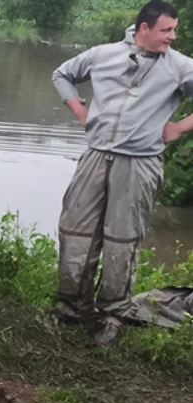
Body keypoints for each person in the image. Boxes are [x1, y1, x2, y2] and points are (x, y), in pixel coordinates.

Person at [49, 0, 193, 345]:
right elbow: (62, 75)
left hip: (139, 162)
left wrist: (180, 128)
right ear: (144, 28)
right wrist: (79, 109)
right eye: (166, 30)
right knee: (75, 227)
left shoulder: (180, 67)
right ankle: (73, 305)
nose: (172, 36)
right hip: (96, 155)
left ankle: (112, 314)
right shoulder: (103, 54)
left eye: (174, 29)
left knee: (123, 238)